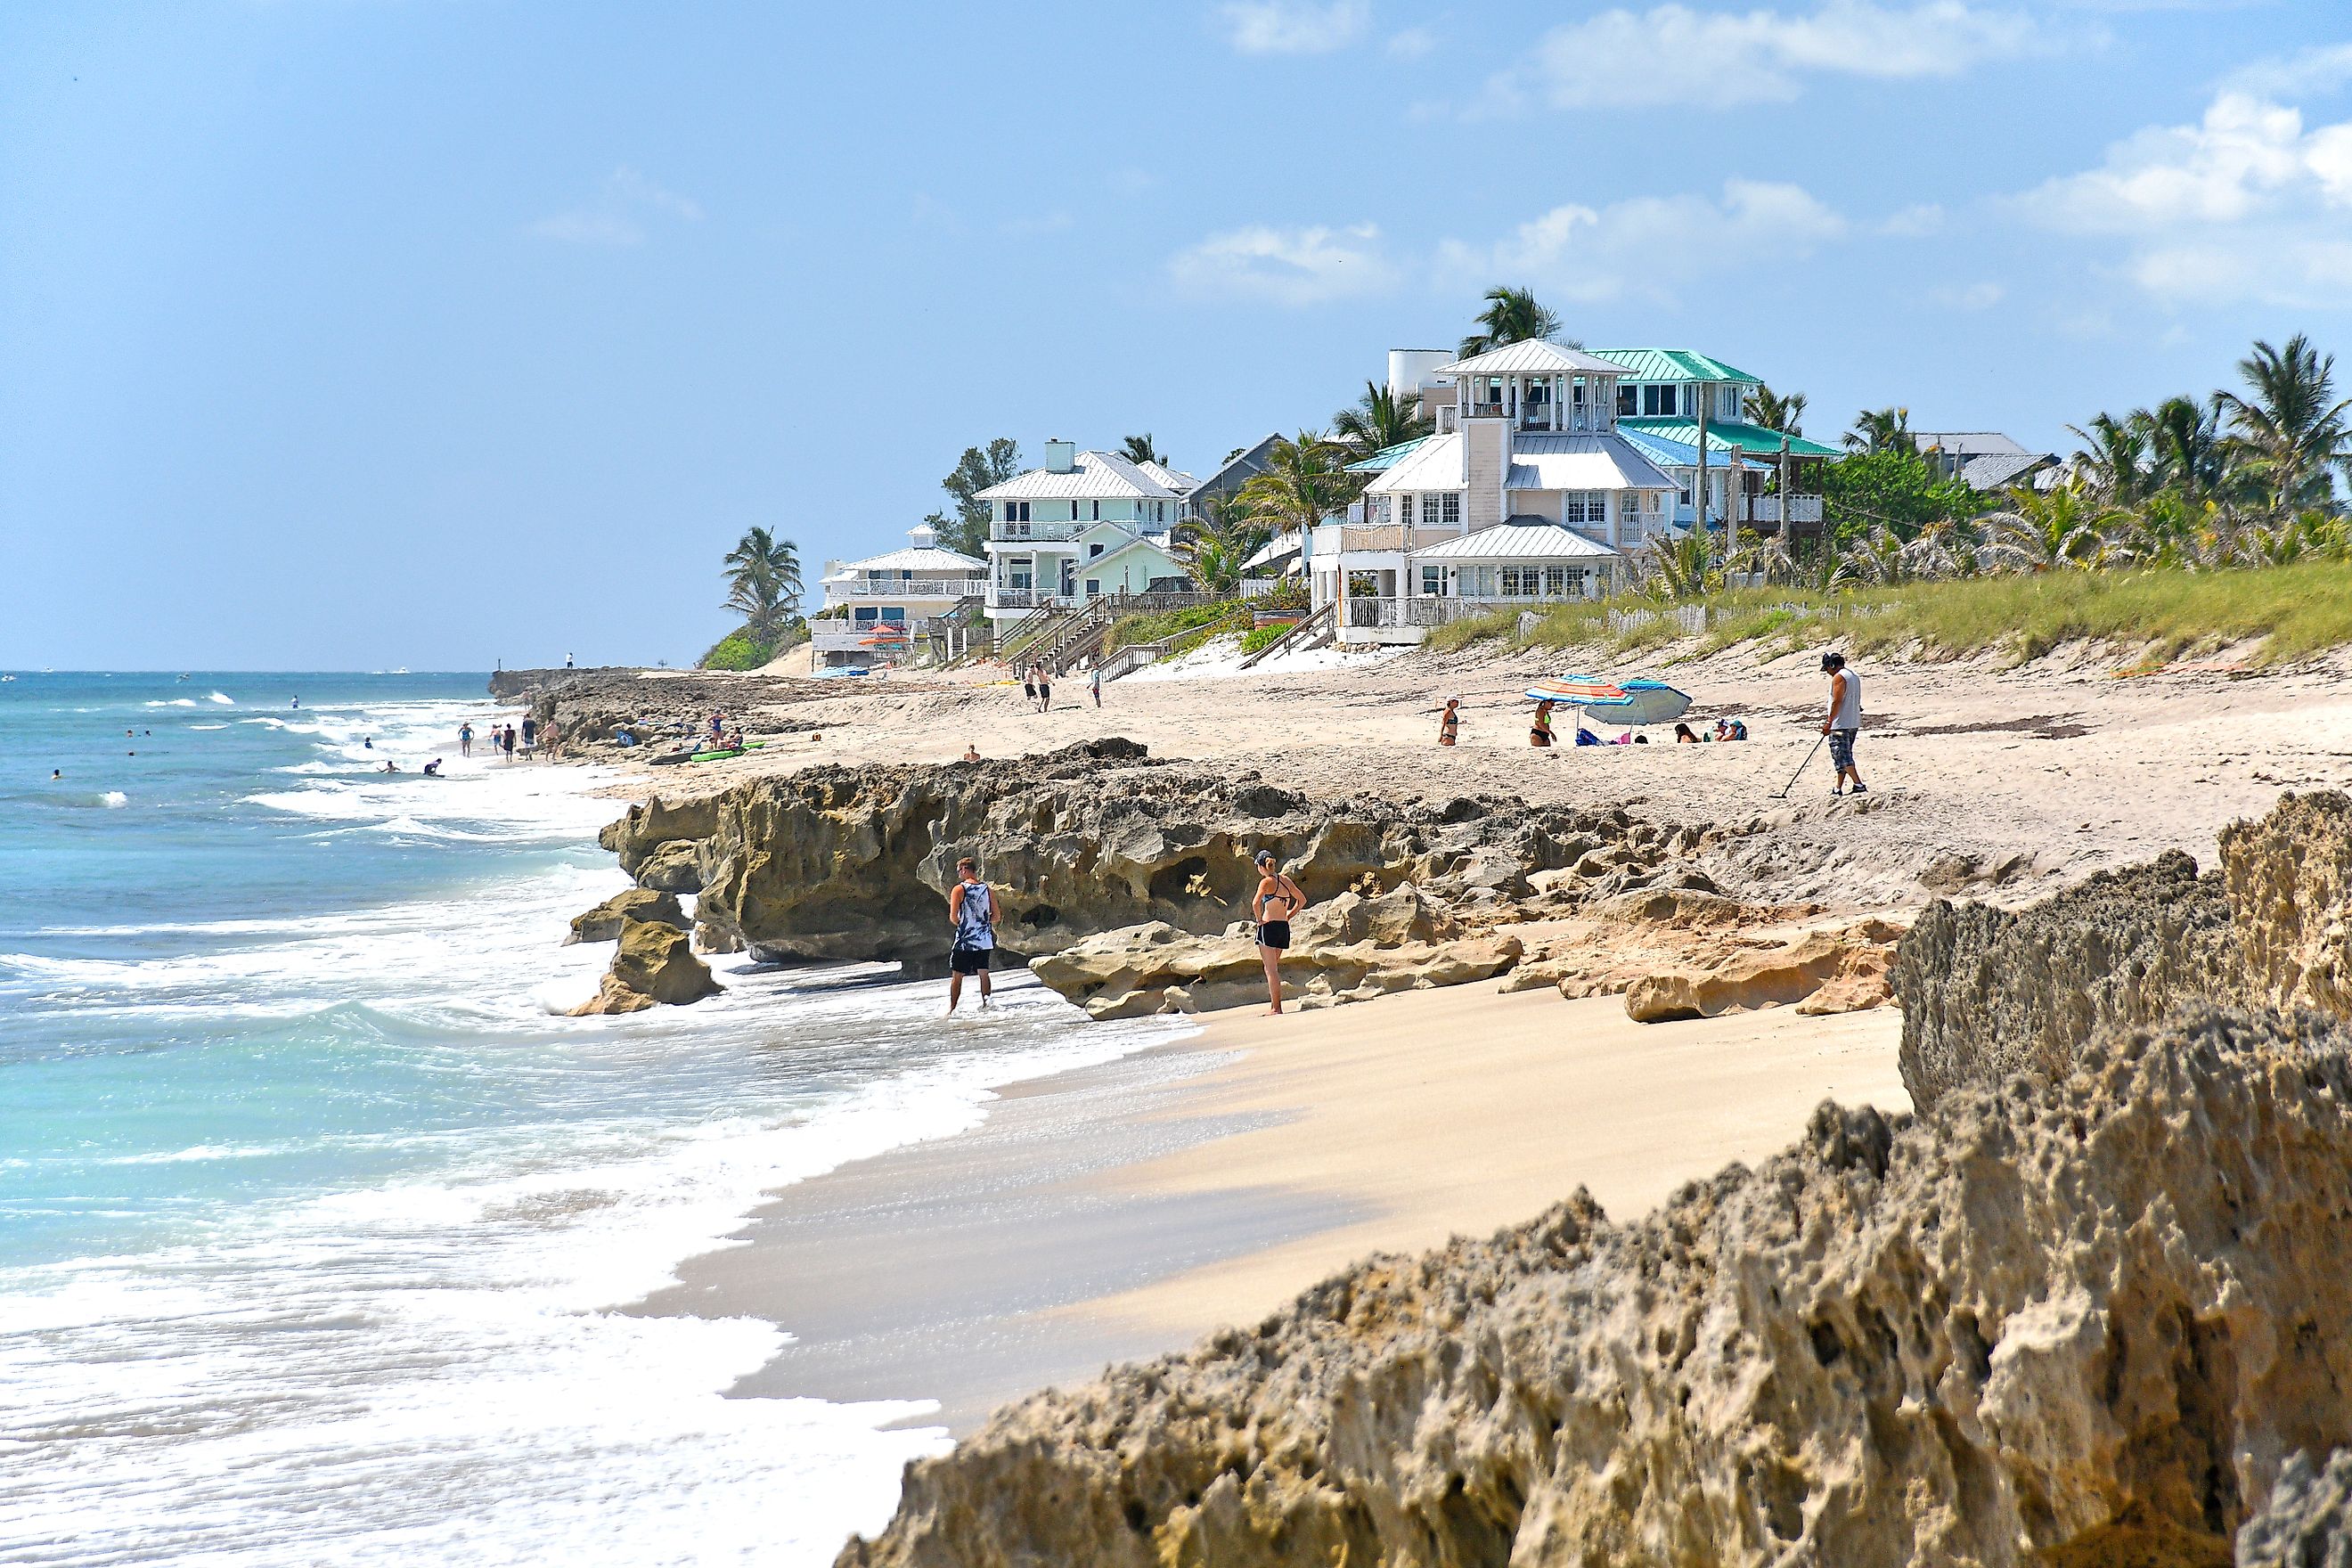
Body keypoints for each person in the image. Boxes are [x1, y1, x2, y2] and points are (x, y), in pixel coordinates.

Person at [1249, 850, 1305, 1016]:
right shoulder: (1286, 880)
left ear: (1261, 867)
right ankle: (1275, 1006)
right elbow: (1302, 900)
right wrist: (1289, 915)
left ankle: (1276, 1008)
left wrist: (1259, 920)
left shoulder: (1266, 882)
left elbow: (1255, 903)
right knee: (1273, 968)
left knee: (1271, 970)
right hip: (1283, 927)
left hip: (1269, 927)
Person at [945, 857, 995, 1014]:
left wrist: (965, 924)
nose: (959, 874)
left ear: (965, 870)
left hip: (965, 941)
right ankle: (987, 1005)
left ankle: (952, 1009)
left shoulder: (959, 890)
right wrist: (982, 925)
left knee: (957, 976)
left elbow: (953, 917)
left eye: (959, 870)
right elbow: (997, 916)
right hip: (984, 940)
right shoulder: (987, 889)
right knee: (983, 973)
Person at [1821, 651, 1866, 796]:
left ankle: (1858, 785)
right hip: (1853, 722)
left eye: (1827, 669)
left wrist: (1829, 722)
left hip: (1840, 725)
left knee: (1842, 755)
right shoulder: (1853, 676)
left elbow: (1837, 701)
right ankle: (1838, 788)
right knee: (1842, 756)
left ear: (1832, 665)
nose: (1827, 672)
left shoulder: (1839, 677)